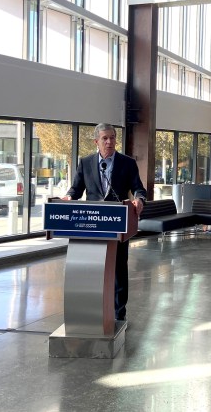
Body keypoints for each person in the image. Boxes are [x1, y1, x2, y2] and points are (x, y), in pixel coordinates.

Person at [63, 123, 146, 321]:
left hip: (118, 225)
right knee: (93, 268)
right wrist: (68, 197)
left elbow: (139, 188)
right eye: (105, 138)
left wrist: (139, 199)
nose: (109, 142)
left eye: (112, 138)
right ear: (96, 142)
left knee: (118, 270)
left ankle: (119, 313)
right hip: (92, 225)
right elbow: (76, 189)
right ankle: (92, 310)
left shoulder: (127, 163)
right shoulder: (86, 162)